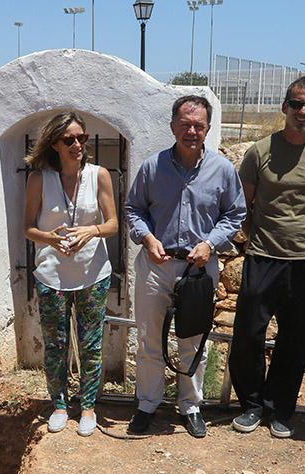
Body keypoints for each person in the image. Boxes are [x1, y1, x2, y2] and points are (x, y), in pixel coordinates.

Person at [125, 95, 246, 438]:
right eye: (185, 125)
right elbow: (134, 208)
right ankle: (147, 404)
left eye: (198, 125)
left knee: (193, 340)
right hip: (156, 266)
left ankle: (190, 406)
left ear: (207, 128)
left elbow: (235, 213)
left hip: (199, 269)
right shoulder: (152, 167)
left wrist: (210, 244)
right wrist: (147, 238)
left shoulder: (222, 169)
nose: (191, 131)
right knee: (149, 339)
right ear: (173, 127)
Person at [229, 76, 305, 438]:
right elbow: (244, 204)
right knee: (248, 333)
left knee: (296, 338)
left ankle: (280, 408)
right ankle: (250, 404)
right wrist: (259, 235)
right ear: (285, 107)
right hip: (263, 254)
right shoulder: (259, 151)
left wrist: (304, 235)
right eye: (296, 104)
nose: (303, 111)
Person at [24, 111, 119, 436]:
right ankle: (60, 406)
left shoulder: (99, 175)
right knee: (56, 344)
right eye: (69, 140)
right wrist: (50, 238)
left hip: (93, 274)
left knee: (91, 344)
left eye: (82, 138)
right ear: (54, 144)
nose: (77, 144)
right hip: (52, 276)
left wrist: (90, 232)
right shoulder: (39, 178)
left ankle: (88, 406)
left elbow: (112, 224)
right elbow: (28, 228)